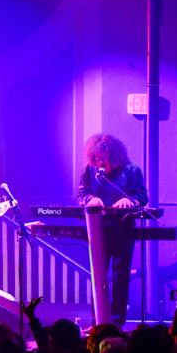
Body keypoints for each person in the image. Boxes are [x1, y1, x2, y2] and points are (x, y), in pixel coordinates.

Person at [77, 134, 148, 327]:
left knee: (120, 278)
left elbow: (142, 195)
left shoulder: (131, 170)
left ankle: (116, 324)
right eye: (96, 158)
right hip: (98, 229)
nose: (100, 162)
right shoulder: (89, 169)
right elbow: (82, 193)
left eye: (104, 158)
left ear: (114, 156)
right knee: (98, 277)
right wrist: (90, 199)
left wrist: (130, 200)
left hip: (123, 230)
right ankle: (97, 323)